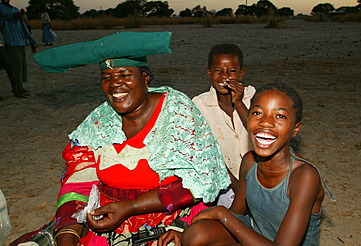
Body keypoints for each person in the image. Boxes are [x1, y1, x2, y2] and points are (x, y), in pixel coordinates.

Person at [32, 31, 230, 246]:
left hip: (171, 219)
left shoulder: (177, 112)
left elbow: (200, 182)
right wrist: (68, 233)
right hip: (104, 216)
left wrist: (131, 207)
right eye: (107, 77)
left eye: (125, 75)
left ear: (145, 79)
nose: (115, 84)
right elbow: (79, 180)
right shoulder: (99, 121)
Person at [176, 82, 336, 246]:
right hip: (256, 236)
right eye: (257, 113)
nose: (266, 122)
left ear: (296, 129)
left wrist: (221, 214)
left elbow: (229, 218)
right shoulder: (250, 161)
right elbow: (237, 214)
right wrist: (186, 231)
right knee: (195, 235)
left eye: (280, 116)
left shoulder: (304, 177)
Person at [192, 43, 255, 208]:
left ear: (241, 74)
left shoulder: (252, 97)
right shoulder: (200, 105)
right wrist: (234, 184)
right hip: (223, 181)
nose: (224, 76)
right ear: (209, 73)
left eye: (232, 71)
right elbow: (207, 151)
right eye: (218, 70)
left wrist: (239, 102)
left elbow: (257, 131)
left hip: (257, 176)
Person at [0, 0, 36, 98]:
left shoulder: (14, 9)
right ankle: (16, 89)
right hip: (11, 42)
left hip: (20, 41)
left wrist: (31, 42)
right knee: (15, 67)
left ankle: (20, 87)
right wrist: (13, 16)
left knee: (22, 66)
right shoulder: (1, 8)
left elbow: (23, 27)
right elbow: (5, 19)